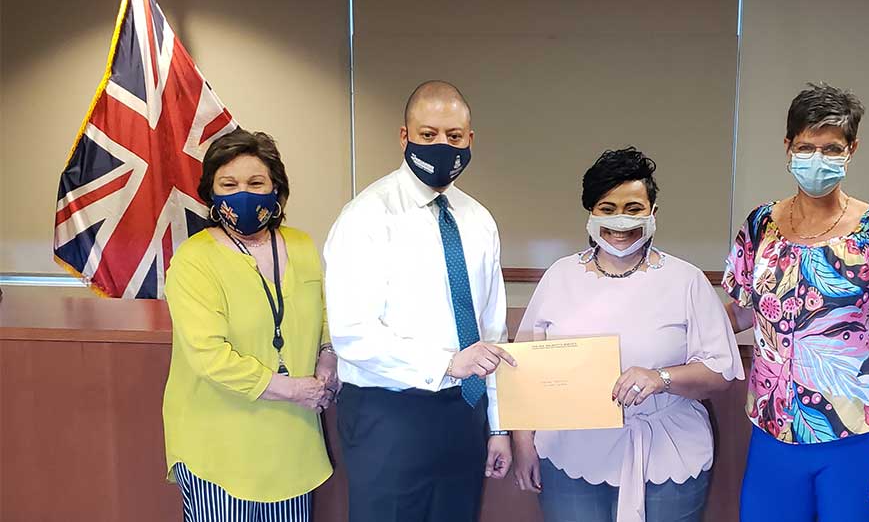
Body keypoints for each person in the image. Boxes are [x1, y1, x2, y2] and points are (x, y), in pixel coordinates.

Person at [723, 83, 869, 522]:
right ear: (787, 146)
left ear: (851, 149)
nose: (816, 159)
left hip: (854, 435)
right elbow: (742, 311)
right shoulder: (761, 224)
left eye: (831, 148)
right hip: (772, 431)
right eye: (805, 146)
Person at [511, 148, 744, 522]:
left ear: (653, 213)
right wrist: (523, 440)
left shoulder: (686, 281)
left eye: (634, 208)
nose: (620, 221)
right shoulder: (560, 277)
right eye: (607, 208)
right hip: (571, 449)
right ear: (590, 214)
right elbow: (524, 369)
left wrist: (661, 378)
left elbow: (720, 373)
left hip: (669, 448)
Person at [324, 80, 515, 522]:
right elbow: (353, 334)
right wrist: (447, 362)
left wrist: (499, 425)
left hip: (464, 413)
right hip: (388, 414)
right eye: (428, 135)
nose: (442, 146)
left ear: (470, 140)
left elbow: (493, 332)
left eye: (453, 136)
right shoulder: (366, 217)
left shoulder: (478, 220)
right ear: (404, 137)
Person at [163, 129, 337, 521]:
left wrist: (328, 358)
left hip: (292, 446)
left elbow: (325, 316)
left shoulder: (302, 246)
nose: (243, 193)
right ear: (211, 193)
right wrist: (293, 389)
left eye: (256, 182)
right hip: (219, 450)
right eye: (229, 184)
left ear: (277, 190)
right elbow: (210, 357)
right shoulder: (194, 260)